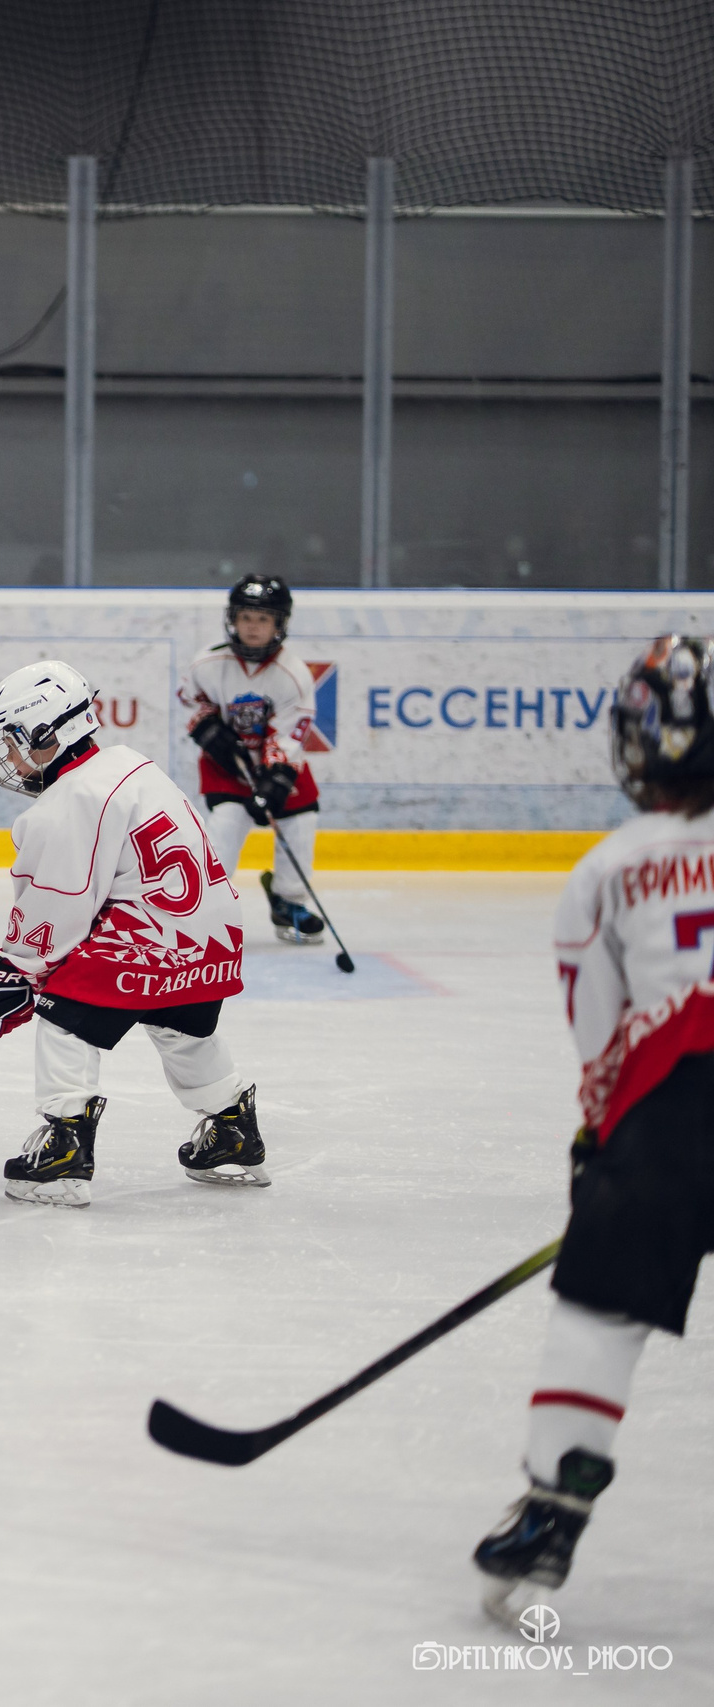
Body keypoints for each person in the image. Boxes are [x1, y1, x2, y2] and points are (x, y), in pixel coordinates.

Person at [473, 634, 714, 1618]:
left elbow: (600, 1036)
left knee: (599, 1309)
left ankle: (551, 1507)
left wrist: (596, 1149)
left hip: (672, 1114)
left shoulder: (607, 870)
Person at [0, 661, 270, 1207]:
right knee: (182, 1025)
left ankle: (64, 1146)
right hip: (213, 944)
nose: (7, 757)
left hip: (154, 942)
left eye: (13, 741)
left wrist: (13, 972)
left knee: (65, 1014)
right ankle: (232, 1128)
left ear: (45, 734)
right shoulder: (131, 765)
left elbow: (55, 910)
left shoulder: (68, 803)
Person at [179, 575, 326, 944]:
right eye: (246, 617)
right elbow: (192, 700)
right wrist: (208, 728)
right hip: (226, 766)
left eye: (263, 619)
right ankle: (208, 909)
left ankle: (288, 900)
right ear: (233, 619)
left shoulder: (293, 675)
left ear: (280, 624)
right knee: (225, 828)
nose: (253, 627)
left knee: (300, 821)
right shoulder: (207, 664)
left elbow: (291, 734)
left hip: (278, 766)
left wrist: (273, 780)